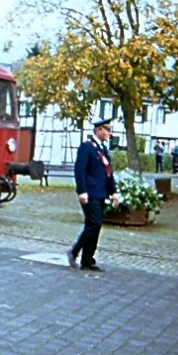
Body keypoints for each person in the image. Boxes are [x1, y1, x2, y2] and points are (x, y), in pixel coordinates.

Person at [67, 117, 120, 272]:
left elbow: (108, 173)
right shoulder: (87, 147)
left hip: (100, 193)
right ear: (98, 130)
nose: (109, 133)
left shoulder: (102, 150)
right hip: (89, 193)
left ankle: (87, 260)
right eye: (107, 129)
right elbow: (80, 170)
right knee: (94, 223)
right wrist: (82, 191)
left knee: (94, 226)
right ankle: (75, 252)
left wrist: (113, 192)